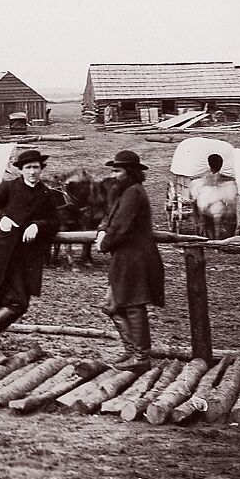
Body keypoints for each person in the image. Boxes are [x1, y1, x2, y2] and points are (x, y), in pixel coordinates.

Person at [0, 149, 60, 366]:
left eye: (36, 167)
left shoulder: (47, 194)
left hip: (23, 258)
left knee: (18, 302)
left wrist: (39, 225)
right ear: (21, 170)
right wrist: (1, 217)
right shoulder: (8, 188)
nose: (32, 172)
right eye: (28, 168)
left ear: (41, 169)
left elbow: (56, 221)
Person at [96, 150, 165, 372]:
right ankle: (132, 351)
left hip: (136, 258)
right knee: (111, 306)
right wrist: (101, 230)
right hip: (125, 258)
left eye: (118, 171)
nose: (113, 175)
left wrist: (104, 243)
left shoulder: (134, 193)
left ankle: (141, 357)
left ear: (131, 173)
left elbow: (121, 227)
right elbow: (109, 218)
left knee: (133, 306)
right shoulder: (124, 193)